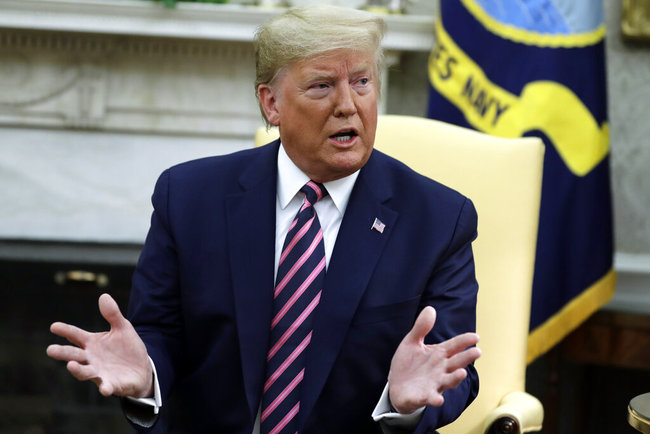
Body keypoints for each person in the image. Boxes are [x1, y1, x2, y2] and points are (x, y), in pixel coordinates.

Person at [47, 5, 481, 433]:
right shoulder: (189, 198)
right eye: (322, 86)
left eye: (362, 82)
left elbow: (450, 367)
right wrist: (147, 378)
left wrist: (403, 404)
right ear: (271, 103)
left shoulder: (439, 220)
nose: (348, 105)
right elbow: (160, 332)